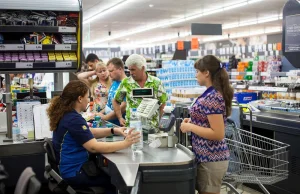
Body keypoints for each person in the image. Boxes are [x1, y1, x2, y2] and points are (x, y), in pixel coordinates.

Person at [47, 80, 140, 193]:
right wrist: (125, 143)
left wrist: (113, 130)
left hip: (68, 170)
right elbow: (93, 147)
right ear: (80, 98)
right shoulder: (73, 119)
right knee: (114, 182)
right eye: (87, 97)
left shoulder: (66, 115)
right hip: (74, 172)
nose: (89, 100)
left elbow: (88, 132)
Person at [180, 55, 233, 194]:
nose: (195, 75)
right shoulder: (209, 93)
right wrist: (194, 121)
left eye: (197, 71)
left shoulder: (213, 97)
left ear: (206, 73)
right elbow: (208, 121)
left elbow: (217, 133)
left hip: (211, 159)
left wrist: (190, 127)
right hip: (205, 157)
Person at [113, 54, 168, 129]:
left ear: (142, 68)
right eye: (129, 70)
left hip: (152, 128)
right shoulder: (125, 83)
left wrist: (162, 125)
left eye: (133, 69)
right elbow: (116, 100)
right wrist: (120, 117)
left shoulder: (156, 83)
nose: (131, 72)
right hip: (132, 128)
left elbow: (163, 105)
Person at [97, 58, 127, 126]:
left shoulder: (126, 84)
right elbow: (109, 104)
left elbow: (122, 107)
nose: (109, 74)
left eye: (111, 71)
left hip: (119, 126)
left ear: (120, 69)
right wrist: (99, 114)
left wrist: (105, 117)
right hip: (109, 124)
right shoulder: (114, 82)